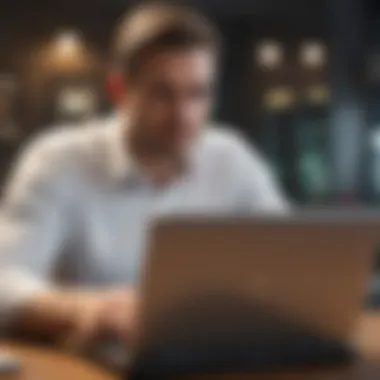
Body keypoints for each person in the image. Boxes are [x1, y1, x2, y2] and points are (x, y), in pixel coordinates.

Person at [0, 3, 289, 352]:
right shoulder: (56, 161)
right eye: (162, 94)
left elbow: (290, 260)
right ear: (118, 90)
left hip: (214, 355)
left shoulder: (231, 158)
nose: (184, 115)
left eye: (198, 93)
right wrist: (85, 308)